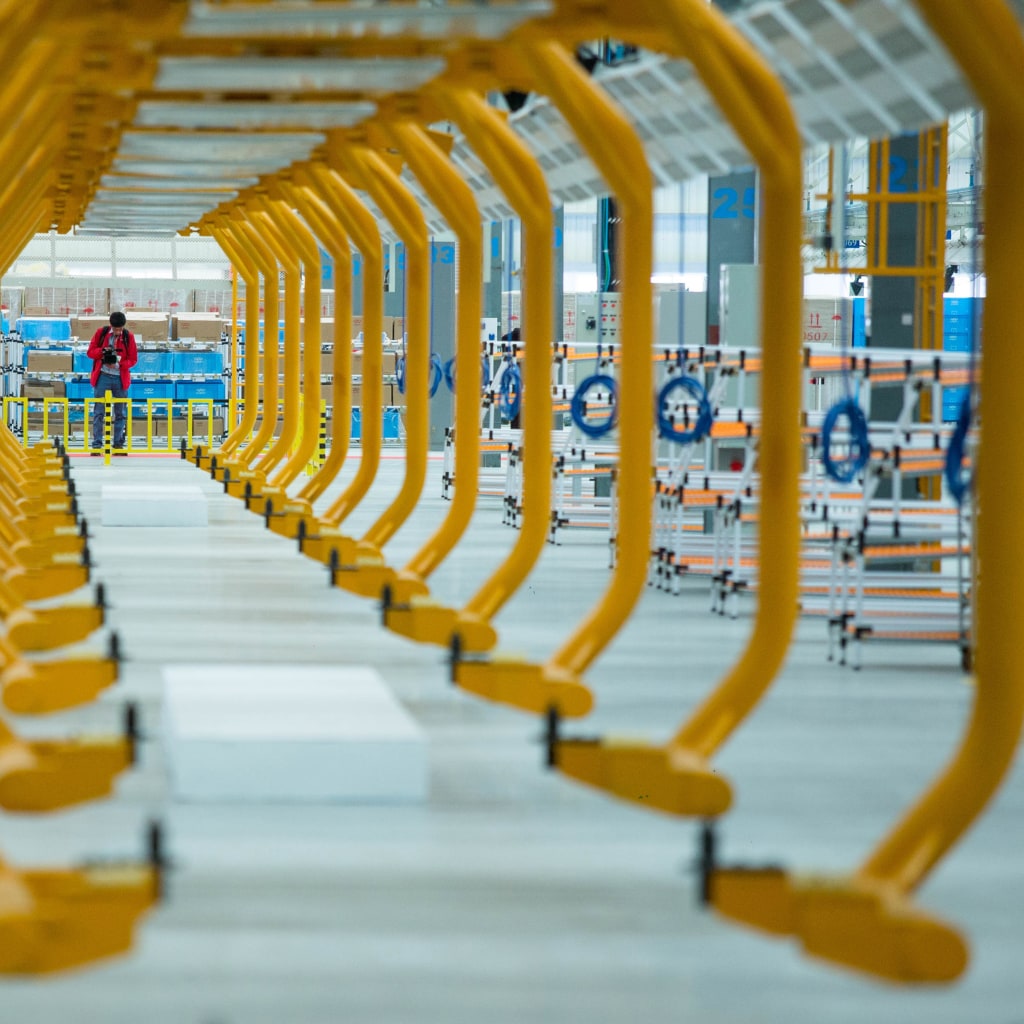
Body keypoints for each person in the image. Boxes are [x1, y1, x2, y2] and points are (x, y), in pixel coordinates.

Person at [87, 311, 138, 453]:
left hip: (120, 378)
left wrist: (120, 363)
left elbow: (133, 359)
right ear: (111, 326)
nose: (118, 332)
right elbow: (90, 352)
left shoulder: (129, 337)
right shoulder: (101, 333)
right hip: (102, 376)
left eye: (120, 329)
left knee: (120, 412)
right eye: (115, 329)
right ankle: (97, 444)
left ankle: (118, 443)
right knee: (99, 411)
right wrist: (103, 352)